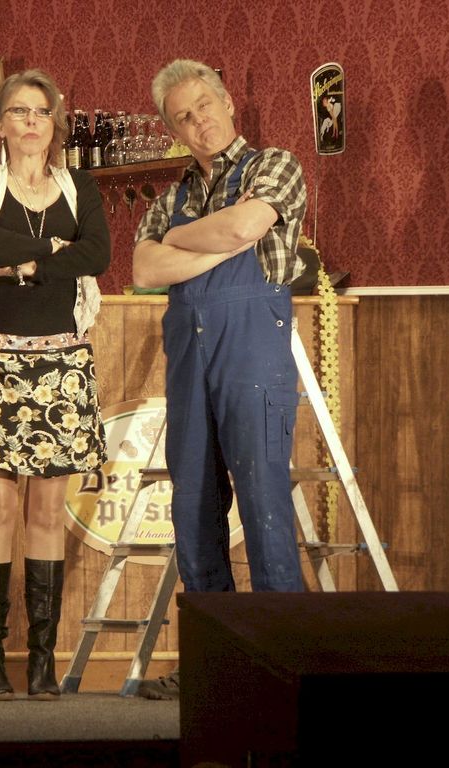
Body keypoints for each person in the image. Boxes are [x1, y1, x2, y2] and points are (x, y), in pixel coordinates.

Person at [131, 60, 308, 699]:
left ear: (228, 102)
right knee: (193, 506)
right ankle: (213, 664)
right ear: (172, 129)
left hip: (252, 350)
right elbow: (146, 270)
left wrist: (187, 242)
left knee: (263, 501)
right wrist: (214, 239)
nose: (198, 121)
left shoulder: (274, 166)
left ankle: (284, 660)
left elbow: (243, 226)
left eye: (204, 105)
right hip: (190, 359)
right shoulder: (167, 199)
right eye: (183, 116)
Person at [0, 68, 110, 700]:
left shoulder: (80, 186)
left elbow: (97, 254)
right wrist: (55, 250)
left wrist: (27, 262)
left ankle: (42, 661)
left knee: (46, 512)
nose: (31, 121)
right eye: (19, 111)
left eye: (41, 111)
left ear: (55, 123)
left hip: (61, 363)